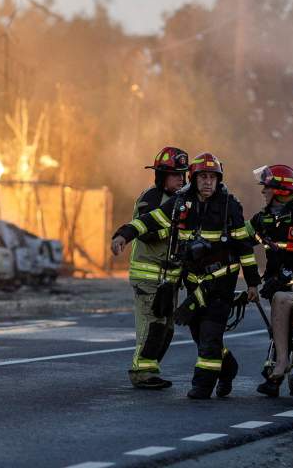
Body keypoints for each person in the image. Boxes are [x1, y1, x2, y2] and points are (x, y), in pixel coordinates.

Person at [111, 152, 260, 400]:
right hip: (193, 284)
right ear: (194, 178)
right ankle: (227, 368)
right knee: (200, 334)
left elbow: (244, 247)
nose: (208, 182)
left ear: (219, 179)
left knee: (210, 332)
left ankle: (202, 386)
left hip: (221, 282)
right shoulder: (181, 202)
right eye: (203, 177)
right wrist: (123, 235)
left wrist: (253, 283)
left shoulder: (229, 205)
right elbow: (150, 220)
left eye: (212, 177)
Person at [247, 164, 293, 398]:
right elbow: (241, 237)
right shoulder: (263, 217)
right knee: (281, 323)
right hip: (276, 283)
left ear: (279, 190)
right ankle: (279, 368)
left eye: (266, 187)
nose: (262, 192)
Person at [124, 146, 190, 389]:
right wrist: (174, 231)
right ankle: (141, 372)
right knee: (152, 325)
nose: (180, 179)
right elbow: (146, 232)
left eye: (183, 174)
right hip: (148, 275)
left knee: (166, 328)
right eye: (174, 175)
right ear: (161, 176)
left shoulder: (182, 201)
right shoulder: (151, 198)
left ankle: (150, 369)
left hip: (169, 278)